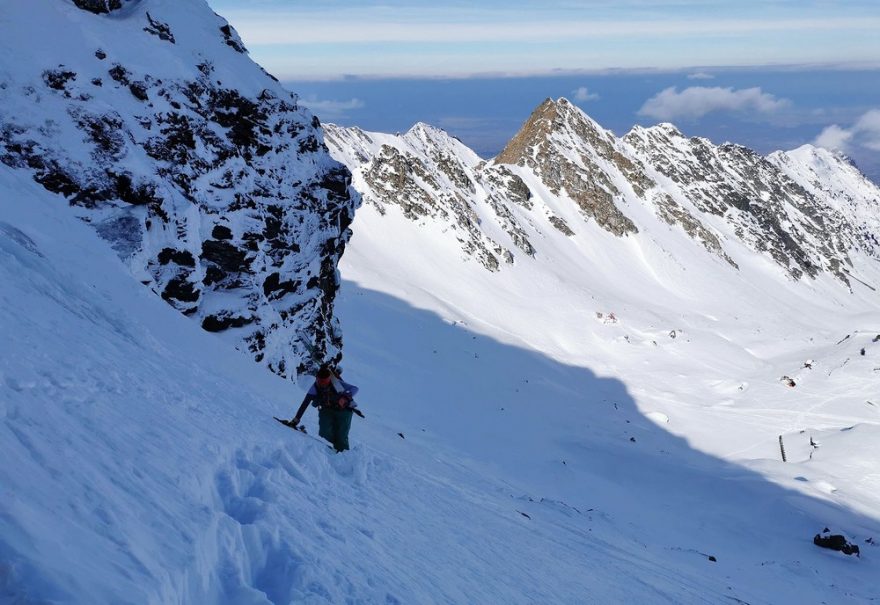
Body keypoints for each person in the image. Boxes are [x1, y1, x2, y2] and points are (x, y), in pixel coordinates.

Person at [290, 366, 359, 452]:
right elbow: (305, 403)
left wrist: (345, 397)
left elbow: (355, 389)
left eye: (325, 382)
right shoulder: (315, 387)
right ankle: (335, 448)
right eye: (320, 382)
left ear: (329, 379)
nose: (322, 384)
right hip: (327, 410)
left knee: (342, 435)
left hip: (344, 411)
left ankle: (343, 455)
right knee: (324, 432)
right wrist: (296, 419)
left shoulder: (337, 384)